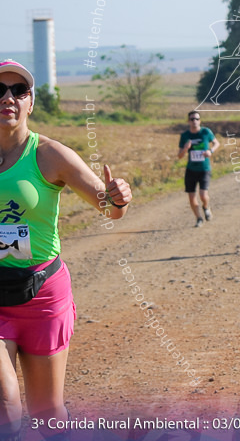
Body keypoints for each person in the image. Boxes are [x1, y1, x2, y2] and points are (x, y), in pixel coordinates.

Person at [0, 60, 132, 436]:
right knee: (5, 399)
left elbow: (109, 207)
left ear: (31, 102)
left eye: (18, 91)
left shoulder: (49, 154)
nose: (7, 98)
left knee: (48, 416)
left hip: (41, 296)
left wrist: (118, 198)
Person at [177, 112, 220, 227]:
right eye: (192, 119)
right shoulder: (185, 136)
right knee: (191, 197)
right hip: (191, 170)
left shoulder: (206, 132)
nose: (194, 121)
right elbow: (179, 156)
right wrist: (185, 148)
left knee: (202, 195)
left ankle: (206, 207)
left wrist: (210, 151)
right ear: (188, 121)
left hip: (204, 169)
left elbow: (216, 143)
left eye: (197, 118)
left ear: (200, 120)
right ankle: (199, 218)